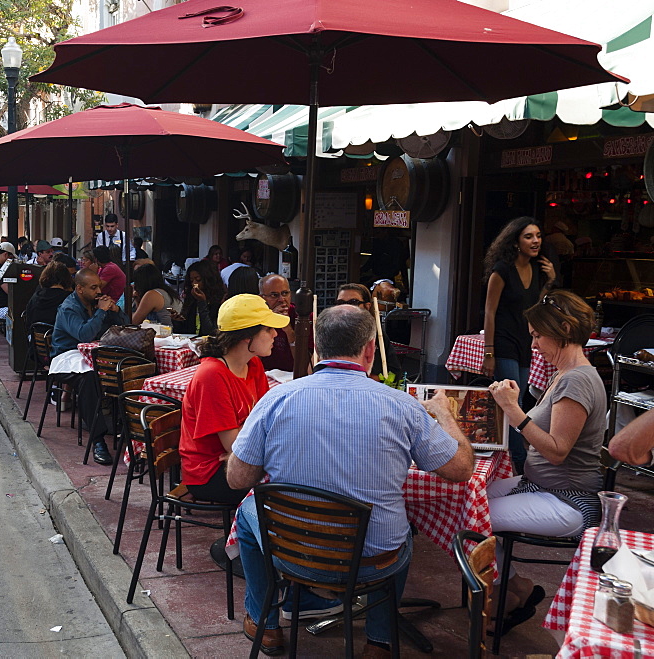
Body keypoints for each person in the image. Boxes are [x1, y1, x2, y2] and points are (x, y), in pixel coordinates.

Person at [228, 305, 474, 657]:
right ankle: (380, 641)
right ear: (370, 350)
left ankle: (265, 623)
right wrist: (447, 417)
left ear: (316, 348)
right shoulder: (403, 406)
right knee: (396, 530)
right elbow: (462, 469)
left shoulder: (276, 399)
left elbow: (238, 478)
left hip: (294, 555)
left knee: (248, 511)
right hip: (374, 560)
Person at [487, 290, 607, 623]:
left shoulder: (577, 381)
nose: (534, 345)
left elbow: (556, 451)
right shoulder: (565, 376)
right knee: (462, 503)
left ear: (564, 329)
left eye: (538, 336)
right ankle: (515, 587)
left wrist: (513, 411)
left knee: (470, 517)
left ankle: (505, 592)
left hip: (568, 500)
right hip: (541, 486)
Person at [181, 295, 284, 505]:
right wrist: (243, 448)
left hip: (236, 462)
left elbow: (265, 421)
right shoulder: (212, 375)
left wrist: (244, 446)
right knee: (286, 485)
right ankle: (251, 538)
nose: (275, 333)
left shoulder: (253, 364)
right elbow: (237, 446)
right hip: (209, 473)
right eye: (268, 329)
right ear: (247, 336)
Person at [483, 217, 557, 473]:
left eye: (538, 235)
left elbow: (536, 308)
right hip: (503, 341)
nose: (535, 241)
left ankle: (504, 455)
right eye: (528, 236)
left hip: (525, 342)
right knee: (512, 403)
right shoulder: (501, 270)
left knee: (519, 402)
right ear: (515, 242)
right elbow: (489, 312)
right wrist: (489, 352)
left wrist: (549, 282)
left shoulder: (537, 269)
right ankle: (520, 460)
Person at [49, 268, 129, 465]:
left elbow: (127, 325)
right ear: (80, 289)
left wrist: (115, 311)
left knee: (126, 368)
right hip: (67, 357)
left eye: (98, 287)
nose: (98, 291)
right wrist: (101, 312)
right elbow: (84, 334)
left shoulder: (96, 303)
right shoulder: (69, 308)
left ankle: (126, 426)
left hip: (95, 354)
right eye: (93, 288)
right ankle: (98, 439)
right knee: (89, 378)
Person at [335, 284, 403, 383]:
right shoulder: (330, 335)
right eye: (340, 303)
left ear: (367, 306)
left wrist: (371, 380)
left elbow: (394, 372)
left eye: (353, 302)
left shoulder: (377, 335)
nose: (346, 307)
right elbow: (314, 370)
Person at [257, 274, 298, 373]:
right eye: (274, 295)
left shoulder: (302, 316)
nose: (281, 299)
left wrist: (289, 330)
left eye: (285, 293)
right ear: (262, 298)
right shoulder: (256, 316)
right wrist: (269, 323)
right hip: (266, 373)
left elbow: (307, 362)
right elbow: (252, 358)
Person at [174, 259, 224, 335]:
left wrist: (202, 302)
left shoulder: (219, 300)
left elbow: (210, 332)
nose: (194, 283)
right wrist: (177, 321)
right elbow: (184, 331)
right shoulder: (191, 298)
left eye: (198, 279)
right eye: (191, 281)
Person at [25, 261, 74, 328]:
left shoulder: (36, 295)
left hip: (35, 335)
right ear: (67, 277)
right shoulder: (69, 298)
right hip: (59, 336)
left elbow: (28, 319)